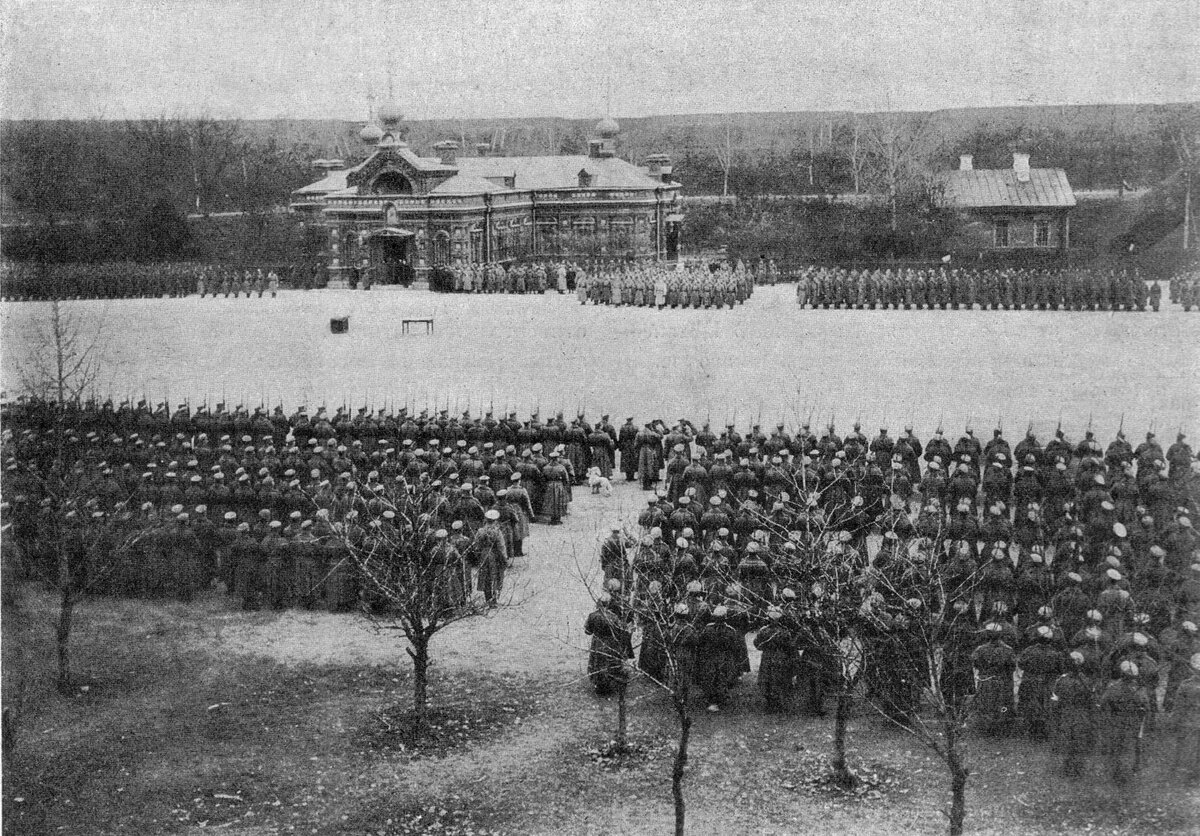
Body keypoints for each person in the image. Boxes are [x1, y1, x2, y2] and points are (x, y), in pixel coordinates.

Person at [1098, 660, 1150, 785]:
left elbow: (1103, 704)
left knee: (1116, 746)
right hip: (1133, 723)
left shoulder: (1113, 688)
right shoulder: (1140, 690)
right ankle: (1130, 771)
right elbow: (1147, 707)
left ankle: (1116, 772)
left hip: (1116, 722)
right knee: (1132, 746)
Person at [695, 605, 743, 712]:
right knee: (722, 677)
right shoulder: (730, 630)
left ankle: (712, 700)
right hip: (724, 658)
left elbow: (700, 643)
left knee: (711, 677)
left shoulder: (708, 629)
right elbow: (735, 647)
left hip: (710, 657)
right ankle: (720, 698)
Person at [585, 593, 633, 696]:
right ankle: (608, 687)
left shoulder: (592, 615)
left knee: (597, 664)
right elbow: (619, 632)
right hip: (610, 644)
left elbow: (587, 631)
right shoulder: (614, 617)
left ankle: (598, 686)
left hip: (597, 643)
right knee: (609, 664)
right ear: (609, 604)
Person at [754, 607, 796, 712]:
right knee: (780, 679)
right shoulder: (785, 632)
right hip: (781, 657)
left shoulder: (764, 631)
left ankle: (770, 703)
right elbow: (790, 646)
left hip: (767, 657)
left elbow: (757, 644)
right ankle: (779, 702)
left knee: (767, 679)